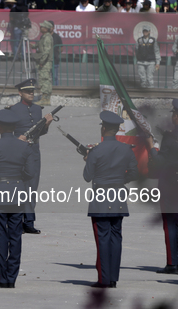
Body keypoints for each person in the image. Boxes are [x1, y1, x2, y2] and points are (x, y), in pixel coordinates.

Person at [0, 109, 37, 288]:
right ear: (14, 128)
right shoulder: (25, 147)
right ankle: (11, 278)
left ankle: (0, 278)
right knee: (15, 237)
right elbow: (30, 173)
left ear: (0, 127)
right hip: (18, 194)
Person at [83, 111, 138, 288]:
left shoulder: (96, 150)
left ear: (104, 128)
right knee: (116, 237)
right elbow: (134, 173)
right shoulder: (126, 149)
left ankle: (104, 279)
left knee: (103, 238)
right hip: (118, 196)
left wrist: (87, 159)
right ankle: (113, 278)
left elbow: (87, 176)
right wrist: (121, 180)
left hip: (100, 196)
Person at [10, 78, 54, 234]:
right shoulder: (13, 109)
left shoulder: (37, 109)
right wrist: (17, 139)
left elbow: (41, 131)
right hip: (19, 152)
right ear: (20, 93)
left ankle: (28, 222)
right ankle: (17, 221)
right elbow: (7, 132)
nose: (31, 93)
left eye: (32, 91)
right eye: (27, 91)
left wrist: (47, 123)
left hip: (34, 151)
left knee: (32, 188)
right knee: (19, 187)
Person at [147, 99, 178, 274]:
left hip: (170, 185)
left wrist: (152, 146)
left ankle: (172, 262)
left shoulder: (170, 138)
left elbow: (160, 162)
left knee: (170, 224)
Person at [34, 21, 54, 106]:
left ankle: (45, 98)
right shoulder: (44, 37)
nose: (41, 28)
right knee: (44, 79)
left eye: (43, 27)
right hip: (44, 61)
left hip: (45, 62)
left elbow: (46, 51)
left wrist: (42, 61)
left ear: (46, 29)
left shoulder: (47, 37)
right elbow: (40, 46)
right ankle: (45, 98)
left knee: (44, 79)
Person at [48, 20, 63, 86]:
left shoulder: (57, 37)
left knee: (55, 77)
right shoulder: (44, 36)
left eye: (51, 26)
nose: (49, 28)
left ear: (53, 27)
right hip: (46, 60)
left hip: (55, 60)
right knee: (46, 77)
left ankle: (56, 90)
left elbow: (61, 48)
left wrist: (56, 53)